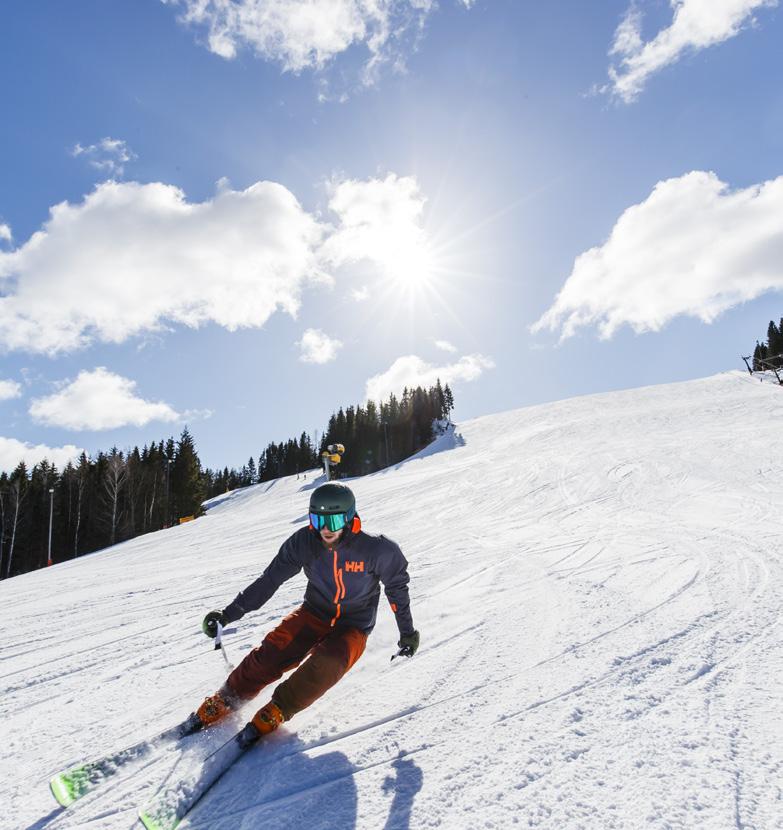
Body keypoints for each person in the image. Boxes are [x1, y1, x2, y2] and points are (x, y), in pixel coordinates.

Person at [190, 482, 420, 742]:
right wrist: (228, 614)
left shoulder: (377, 550)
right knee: (274, 649)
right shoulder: (304, 542)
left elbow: (397, 592)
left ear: (349, 518)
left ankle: (279, 708)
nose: (324, 529)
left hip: (354, 625)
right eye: (317, 519)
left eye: (333, 521)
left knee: (328, 662)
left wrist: (407, 633)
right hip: (314, 613)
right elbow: (270, 581)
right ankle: (228, 697)